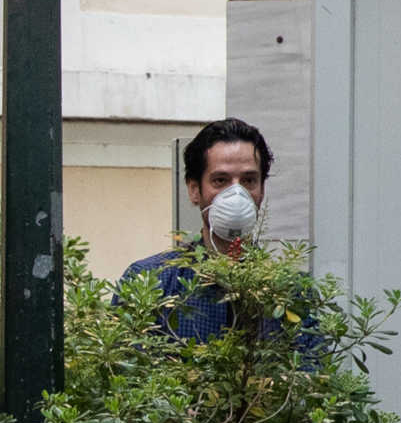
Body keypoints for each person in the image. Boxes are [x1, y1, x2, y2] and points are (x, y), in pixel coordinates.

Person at [119, 116, 292, 343]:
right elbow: (128, 371)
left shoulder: (289, 293)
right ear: (194, 190)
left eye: (249, 180)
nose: (236, 194)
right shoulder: (149, 282)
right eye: (221, 180)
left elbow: (310, 373)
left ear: (262, 189)